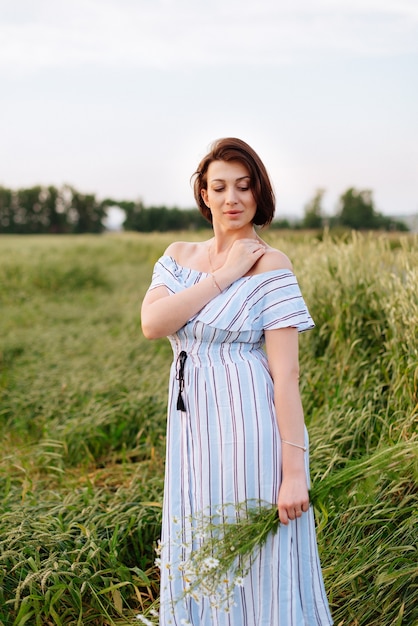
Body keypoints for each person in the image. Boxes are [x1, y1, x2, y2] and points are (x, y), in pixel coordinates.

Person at [141, 138, 333, 625]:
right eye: (220, 187)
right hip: (191, 428)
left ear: (258, 193)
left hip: (249, 426)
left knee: (255, 546)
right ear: (203, 194)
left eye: (244, 187)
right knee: (199, 536)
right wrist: (224, 275)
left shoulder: (273, 265)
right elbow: (154, 324)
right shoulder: (179, 254)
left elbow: (286, 375)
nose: (233, 198)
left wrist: (295, 473)